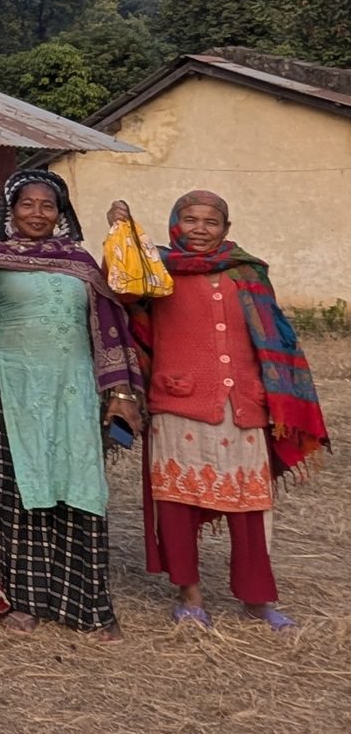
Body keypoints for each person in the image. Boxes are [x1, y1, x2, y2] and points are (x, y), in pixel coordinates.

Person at [118, 190, 329, 631]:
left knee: (250, 506)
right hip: (178, 404)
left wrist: (277, 396)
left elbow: (277, 337)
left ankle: (257, 600)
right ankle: (190, 597)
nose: (200, 229)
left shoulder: (248, 274)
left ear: (226, 229)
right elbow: (122, 290)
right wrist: (121, 228)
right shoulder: (155, 274)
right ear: (176, 224)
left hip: (244, 406)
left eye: (210, 222)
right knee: (177, 503)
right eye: (190, 220)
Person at [0, 169, 139, 641]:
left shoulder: (81, 262)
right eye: (27, 205)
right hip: (13, 387)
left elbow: (110, 323)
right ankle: (26, 602)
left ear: (61, 214)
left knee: (80, 485)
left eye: (48, 206)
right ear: (9, 210)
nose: (37, 214)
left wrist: (120, 392)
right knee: (20, 492)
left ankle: (92, 606)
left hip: (74, 388)